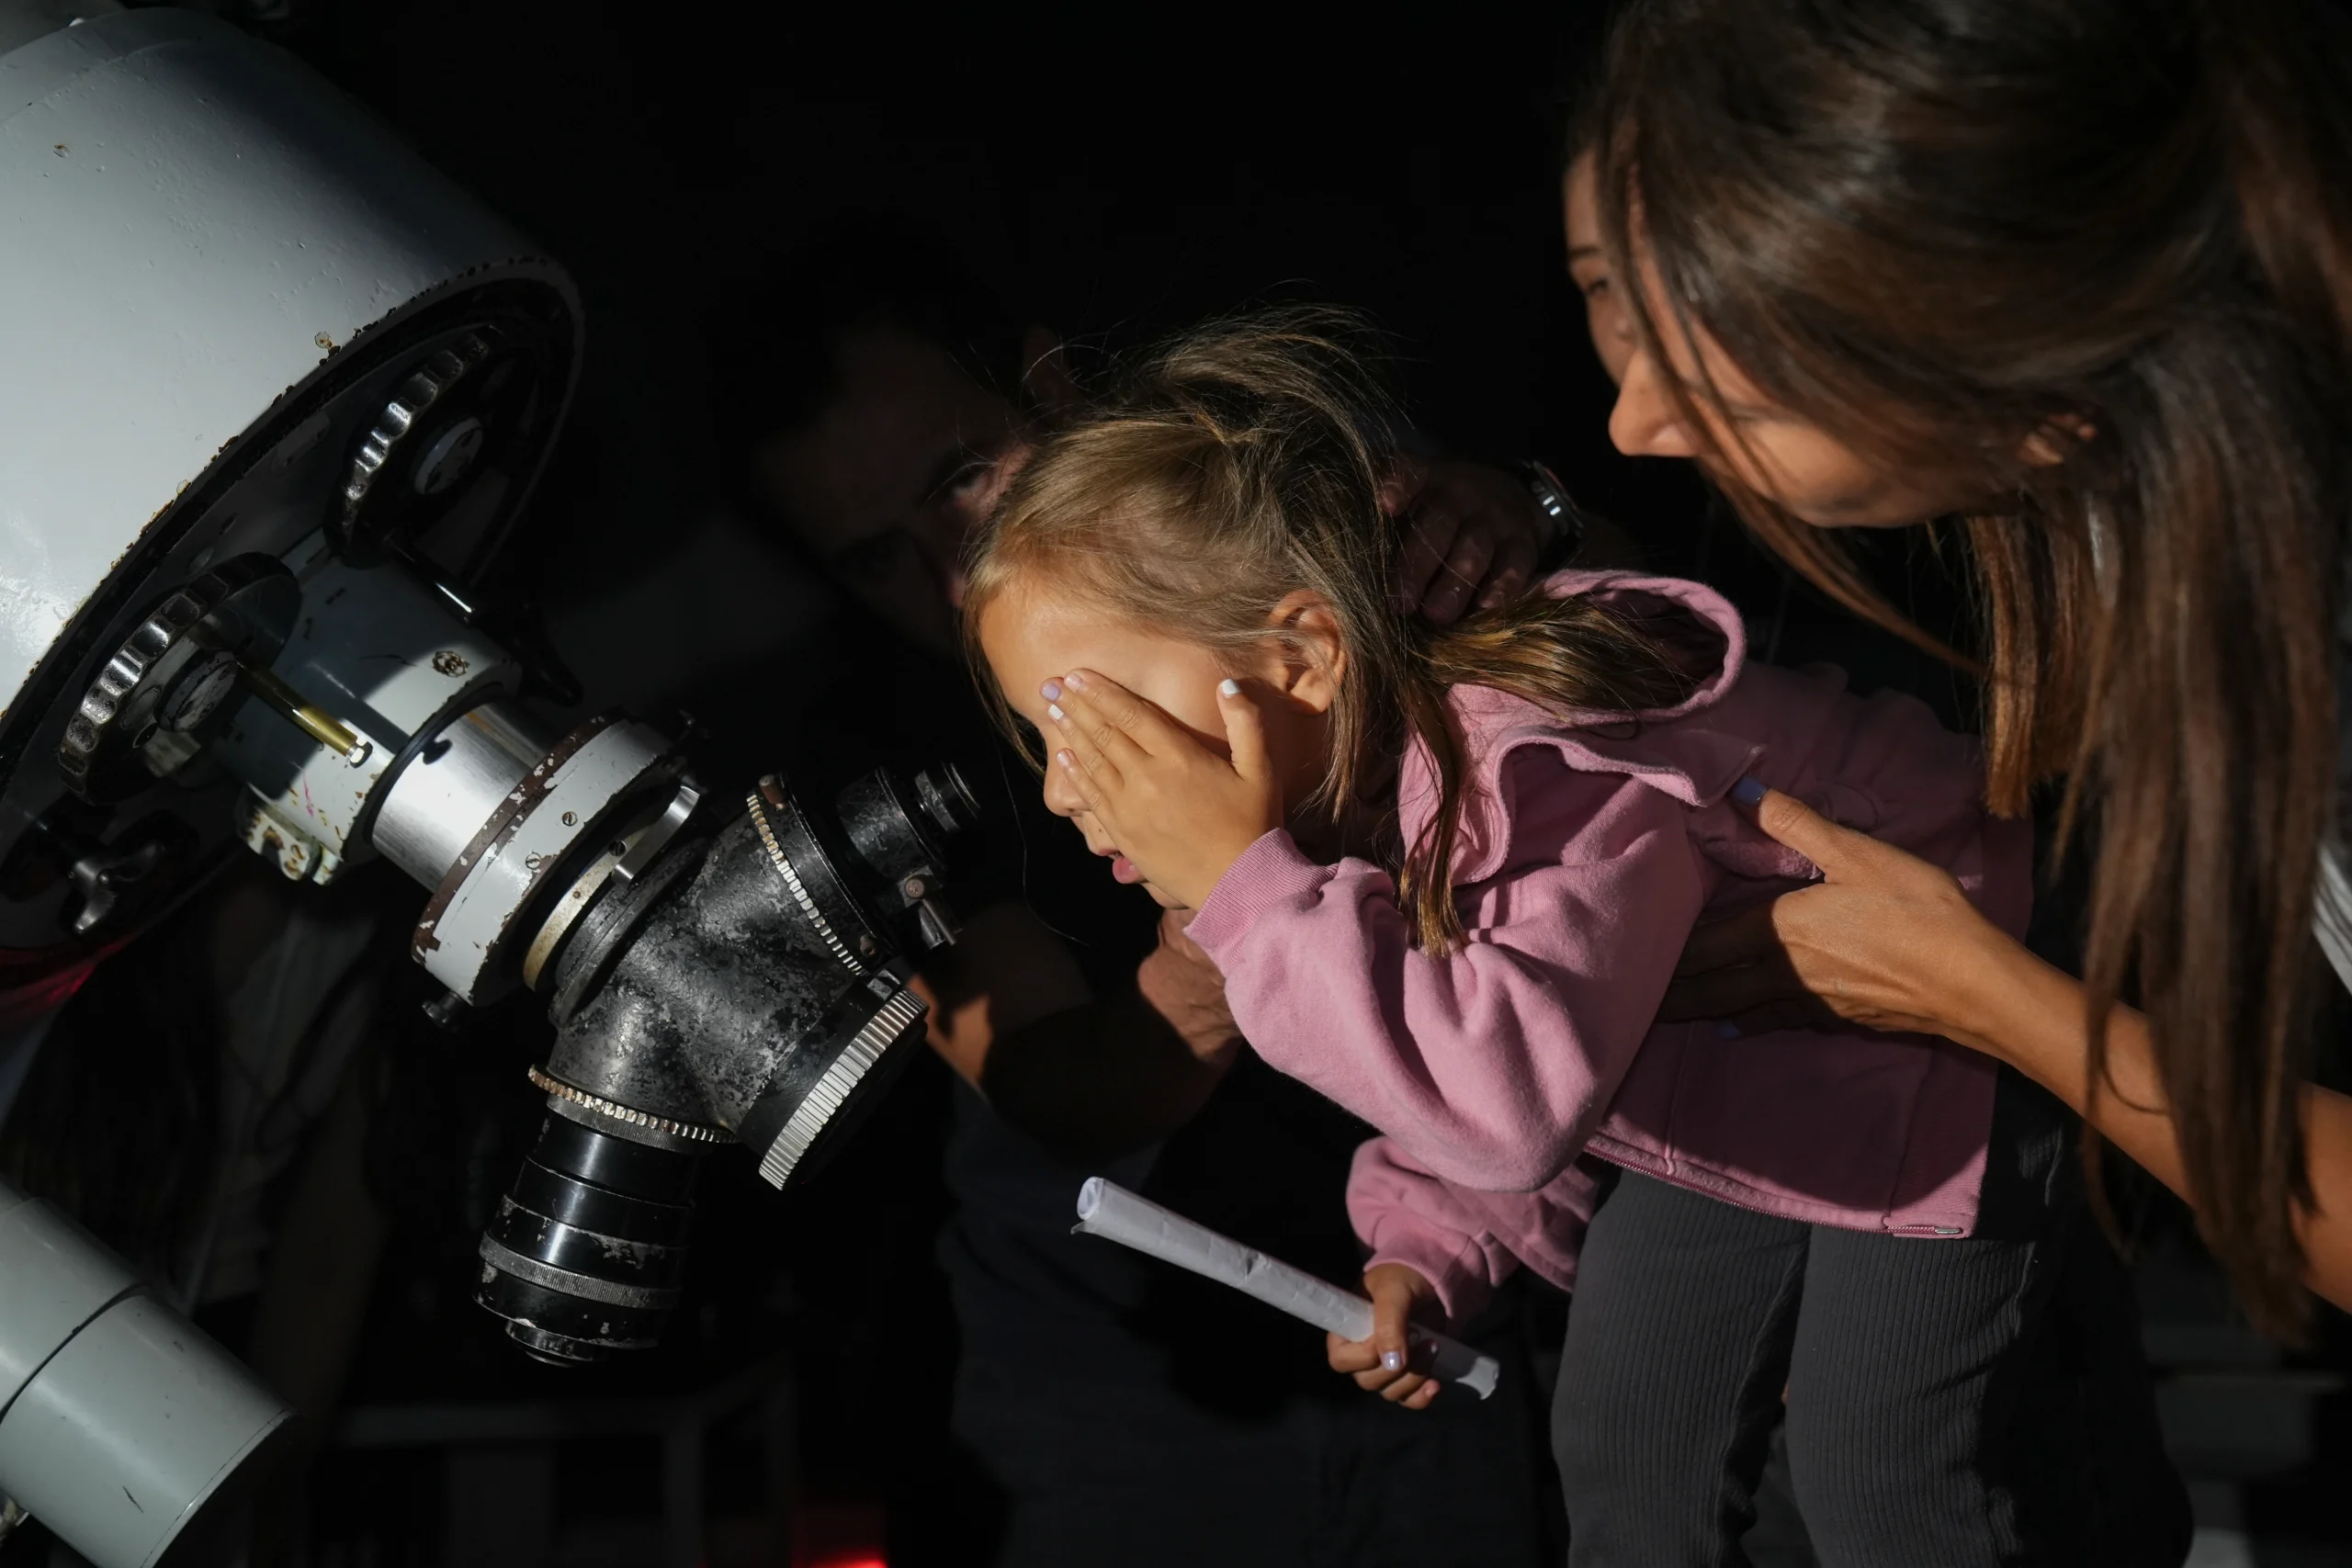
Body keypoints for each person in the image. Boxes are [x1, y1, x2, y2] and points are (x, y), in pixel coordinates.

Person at [966, 305, 2180, 1565]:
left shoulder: (1539, 759)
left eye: (1094, 722)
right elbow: (1496, 1012)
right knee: (1628, 1446)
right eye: (1043, 742)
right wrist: (1432, 1245)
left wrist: (1246, 890)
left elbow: (1509, 1094)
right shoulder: (1365, 788)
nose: (1065, 789)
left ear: (1305, 657)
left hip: (1946, 1022)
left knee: (1881, 1472)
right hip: (1744, 1072)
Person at [700, 224, 1574, 1565]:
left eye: (965, 481)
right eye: (875, 559)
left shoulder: (1275, 511)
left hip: (1459, 1294)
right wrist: (1229, 911)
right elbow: (1055, 1087)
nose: (953, 579)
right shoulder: (886, 760)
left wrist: (1522, 522)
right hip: (1129, 1383)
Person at [1566, 0, 2352, 1334]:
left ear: (2039, 401)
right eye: (1607, 293)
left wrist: (1972, 990)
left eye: (1743, 399)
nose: (1634, 422)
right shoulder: (2135, 497)